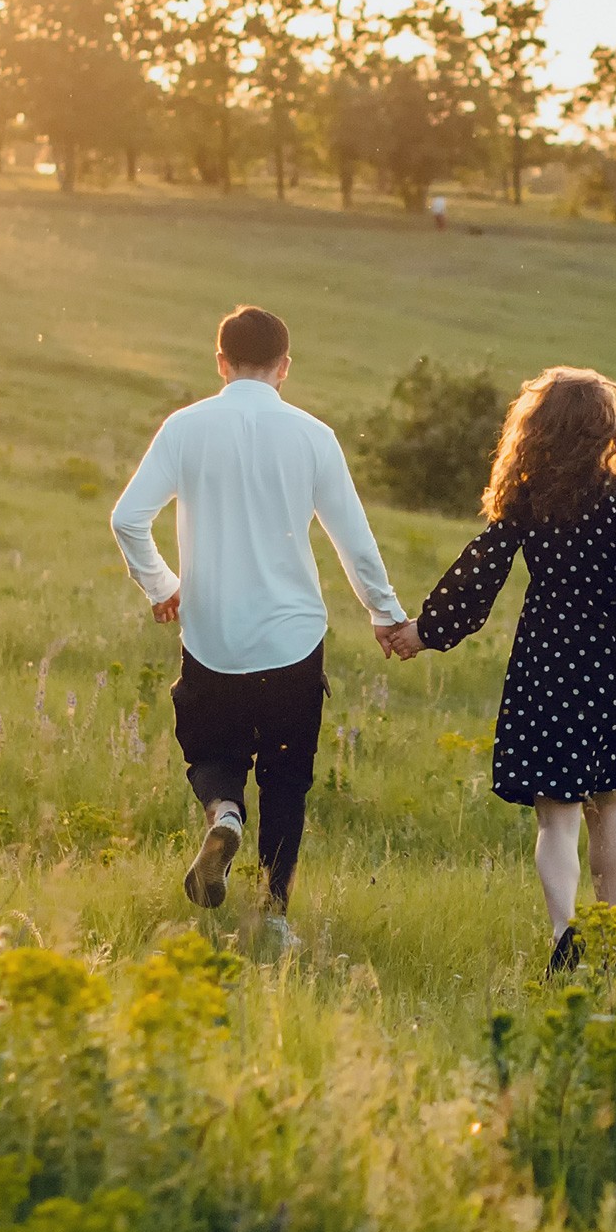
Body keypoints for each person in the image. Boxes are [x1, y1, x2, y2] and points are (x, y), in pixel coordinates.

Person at [384, 366, 616, 974]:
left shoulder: (528, 496)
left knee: (557, 814)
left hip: (550, 659)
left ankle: (567, 934)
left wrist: (426, 632)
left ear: (537, 430)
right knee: (608, 804)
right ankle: (609, 938)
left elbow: (480, 573)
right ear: (603, 430)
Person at [110, 305, 415, 935]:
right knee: (286, 780)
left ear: (220, 363)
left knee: (214, 752)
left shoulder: (185, 428)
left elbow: (127, 518)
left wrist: (162, 586)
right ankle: (273, 919)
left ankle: (224, 814)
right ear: (285, 367)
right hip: (292, 638)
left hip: (211, 633)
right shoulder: (312, 435)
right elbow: (352, 540)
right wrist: (386, 615)